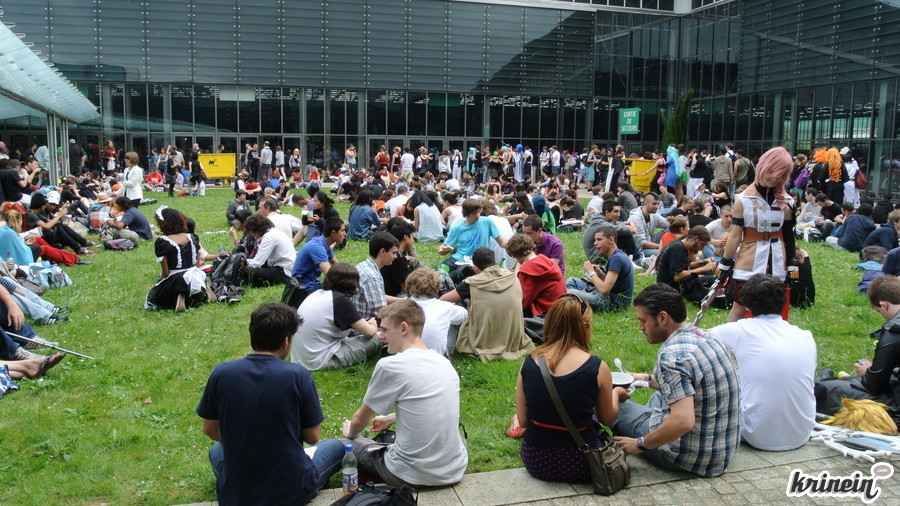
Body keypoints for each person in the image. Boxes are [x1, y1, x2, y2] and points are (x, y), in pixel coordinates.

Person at [197, 303, 343, 505]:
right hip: (290, 490)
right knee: (337, 446)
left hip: (237, 494)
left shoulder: (221, 373)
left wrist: (247, 441)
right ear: (285, 341)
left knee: (216, 450)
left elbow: (210, 429)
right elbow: (313, 437)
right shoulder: (298, 376)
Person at [612, 284, 740, 478]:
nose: (640, 327)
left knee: (610, 399)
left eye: (643, 321)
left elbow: (683, 421)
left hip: (685, 457)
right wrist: (646, 379)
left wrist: (639, 444)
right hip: (721, 452)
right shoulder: (707, 337)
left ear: (662, 318)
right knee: (659, 396)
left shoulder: (671, 357)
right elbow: (693, 384)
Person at [341, 300, 468, 487]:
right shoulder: (444, 362)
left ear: (403, 328)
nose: (381, 336)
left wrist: (349, 432)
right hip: (454, 469)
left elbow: (360, 420)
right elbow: (432, 407)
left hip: (409, 475)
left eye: (385, 330)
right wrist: (391, 418)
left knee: (345, 444)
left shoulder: (390, 365)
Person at [516, 295, 618, 483]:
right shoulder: (597, 367)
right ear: (585, 327)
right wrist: (616, 394)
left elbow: (522, 421)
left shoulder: (529, 362)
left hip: (536, 461)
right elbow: (607, 418)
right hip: (583, 463)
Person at [711, 274, 816, 451]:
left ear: (746, 305)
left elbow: (697, 338)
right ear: (783, 302)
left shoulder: (739, 330)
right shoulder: (805, 336)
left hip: (755, 435)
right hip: (802, 433)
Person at [717, 147, 797, 322]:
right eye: (772, 171)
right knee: (740, 306)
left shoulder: (787, 201)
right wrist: (724, 262)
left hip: (777, 260)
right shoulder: (743, 199)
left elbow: (788, 234)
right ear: (763, 167)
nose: (775, 178)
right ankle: (730, 339)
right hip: (749, 259)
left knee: (774, 310)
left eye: (780, 174)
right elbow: (735, 235)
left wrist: (792, 262)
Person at [815, 276, 900, 415]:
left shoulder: (893, 330)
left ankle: (825, 382)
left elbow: (873, 385)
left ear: (884, 305)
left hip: (895, 402)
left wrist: (868, 372)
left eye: (879, 311)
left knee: (825, 390)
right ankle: (828, 380)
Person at [441, 247, 534, 361]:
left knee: (453, 310)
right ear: (496, 263)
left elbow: (442, 300)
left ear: (475, 269)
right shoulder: (513, 277)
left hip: (484, 340)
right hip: (513, 338)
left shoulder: (471, 283)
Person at [292, 263, 382, 370]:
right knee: (381, 337)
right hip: (320, 360)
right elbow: (369, 332)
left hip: (300, 358)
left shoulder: (317, 293)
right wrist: (373, 324)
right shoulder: (340, 300)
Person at [146, 206, 214, 311]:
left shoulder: (163, 241)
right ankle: (199, 293)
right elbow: (196, 263)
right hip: (196, 276)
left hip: (177, 278)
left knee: (153, 297)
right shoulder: (192, 237)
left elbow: (166, 272)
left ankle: (178, 297)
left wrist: (160, 282)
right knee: (193, 287)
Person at [566, 225, 635, 311]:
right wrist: (600, 274)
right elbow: (615, 283)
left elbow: (604, 290)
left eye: (599, 239)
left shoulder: (616, 259)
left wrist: (591, 272)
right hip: (609, 295)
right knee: (572, 281)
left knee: (568, 293)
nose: (595, 243)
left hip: (613, 302)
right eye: (595, 240)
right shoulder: (618, 255)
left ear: (611, 240)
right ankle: (579, 295)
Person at [439, 198, 508, 281]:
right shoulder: (457, 228)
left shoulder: (487, 222)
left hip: (480, 260)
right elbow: (443, 246)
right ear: (466, 214)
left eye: (478, 212)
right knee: (438, 271)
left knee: (457, 275)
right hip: (460, 258)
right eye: (474, 213)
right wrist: (444, 249)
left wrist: (512, 245)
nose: (477, 215)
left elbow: (501, 242)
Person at [406, 268, 467, 357]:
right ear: (437, 287)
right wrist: (453, 306)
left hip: (406, 356)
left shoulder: (400, 307)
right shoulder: (445, 307)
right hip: (437, 359)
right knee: (453, 317)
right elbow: (464, 314)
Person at [506, 234, 566, 318]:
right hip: (561, 308)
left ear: (516, 255)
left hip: (545, 313)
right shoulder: (546, 261)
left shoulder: (527, 271)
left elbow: (523, 301)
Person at [655, 226, 717, 304]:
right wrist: (704, 269)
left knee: (713, 280)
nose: (701, 248)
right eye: (702, 245)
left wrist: (703, 262)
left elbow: (686, 265)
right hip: (672, 289)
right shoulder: (677, 249)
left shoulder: (679, 246)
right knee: (714, 296)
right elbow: (678, 276)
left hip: (674, 285)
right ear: (695, 239)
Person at [291, 218, 345, 305]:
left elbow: (338, 266)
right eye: (342, 231)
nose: (345, 234)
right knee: (341, 291)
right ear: (333, 233)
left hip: (312, 283)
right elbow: (330, 275)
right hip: (304, 288)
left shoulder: (324, 244)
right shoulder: (317, 247)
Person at [27, 193, 96, 255]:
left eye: (54, 205)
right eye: (49, 204)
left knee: (58, 225)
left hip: (46, 235)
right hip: (38, 237)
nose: (52, 207)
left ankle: (81, 243)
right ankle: (78, 247)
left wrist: (61, 221)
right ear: (42, 206)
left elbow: (49, 221)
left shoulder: (35, 213)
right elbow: (47, 226)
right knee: (56, 226)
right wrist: (59, 215)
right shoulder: (32, 215)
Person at [351, 231, 400, 321]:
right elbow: (382, 312)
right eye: (393, 253)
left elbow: (378, 297)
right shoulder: (372, 277)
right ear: (382, 252)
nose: (396, 256)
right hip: (366, 324)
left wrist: (403, 301)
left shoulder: (363, 265)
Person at [242, 214, 294, 287]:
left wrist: (242, 261)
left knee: (246, 271)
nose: (253, 235)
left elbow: (257, 262)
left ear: (255, 230)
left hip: (283, 272)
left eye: (251, 232)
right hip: (281, 267)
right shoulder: (273, 232)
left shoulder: (269, 237)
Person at [627, 193, 669, 260]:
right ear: (645, 203)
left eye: (658, 204)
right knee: (665, 253)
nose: (657, 207)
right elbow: (642, 243)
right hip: (640, 249)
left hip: (649, 239)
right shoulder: (636, 218)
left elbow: (667, 224)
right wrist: (662, 246)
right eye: (654, 204)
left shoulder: (652, 214)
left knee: (671, 230)